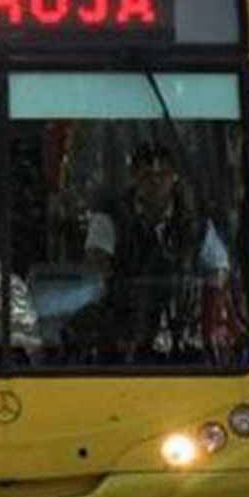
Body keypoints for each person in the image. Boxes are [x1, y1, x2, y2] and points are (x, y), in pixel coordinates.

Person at [83, 141, 226, 361]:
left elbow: (216, 273)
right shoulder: (108, 219)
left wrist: (210, 325)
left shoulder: (196, 224)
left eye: (163, 174)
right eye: (146, 175)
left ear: (174, 177)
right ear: (134, 178)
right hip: (124, 341)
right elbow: (96, 272)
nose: (155, 182)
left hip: (183, 339)